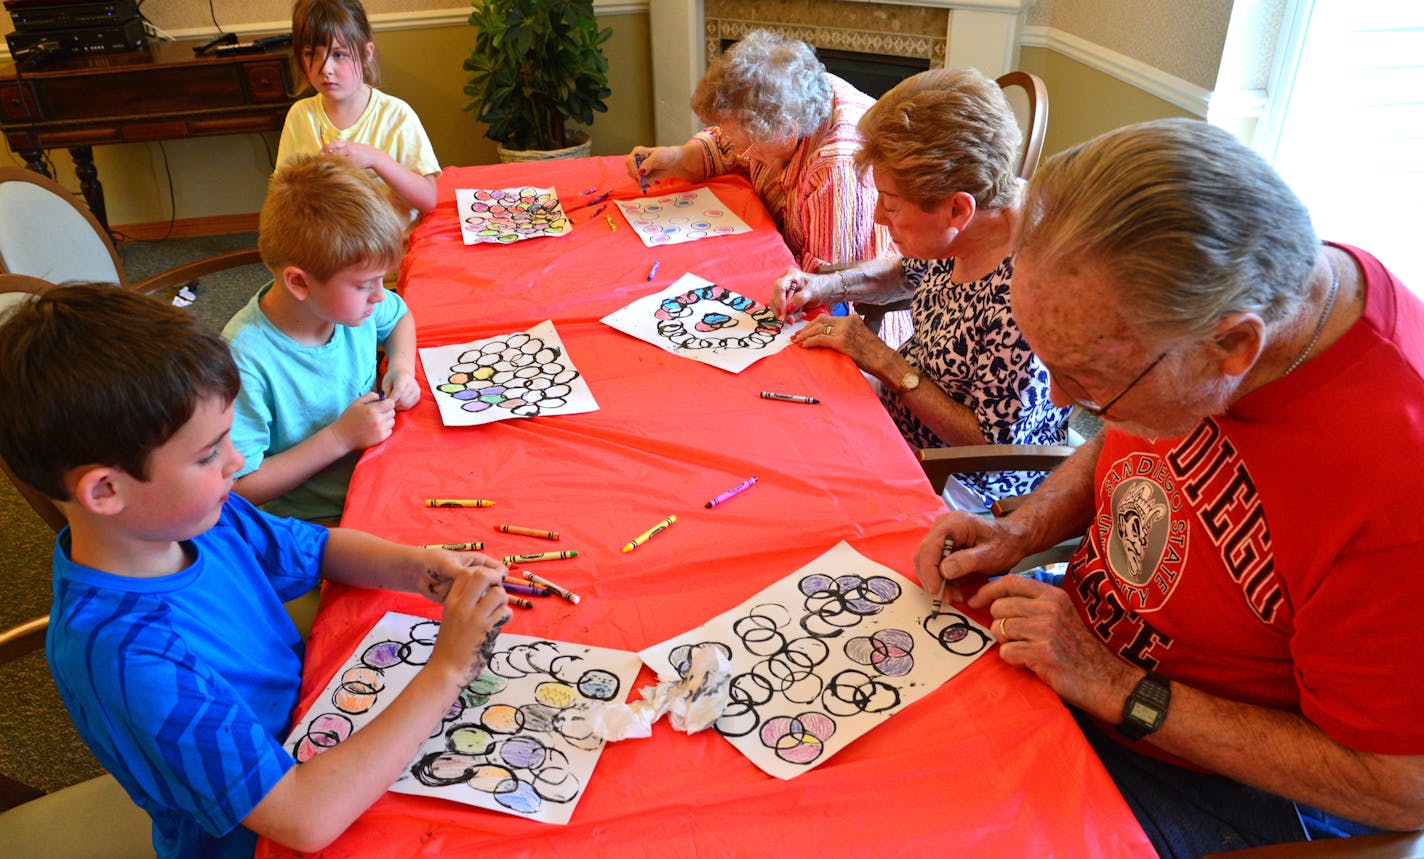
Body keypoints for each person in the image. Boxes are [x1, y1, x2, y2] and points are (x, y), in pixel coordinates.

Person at [915, 118, 1424, 856]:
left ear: (1233, 346)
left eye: (1088, 380)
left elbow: (1400, 784)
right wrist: (1023, 526)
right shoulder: (1235, 299)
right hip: (1084, 645)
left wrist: (1118, 686)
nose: (1061, 404)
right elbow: (1138, 431)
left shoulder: (1397, 482)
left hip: (1216, 776)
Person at [0, 283, 511, 858]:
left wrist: (418, 568)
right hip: (266, 832)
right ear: (106, 490)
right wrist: (449, 668)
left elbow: (317, 549)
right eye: (209, 454)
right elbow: (303, 817)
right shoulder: (129, 654)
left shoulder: (192, 519)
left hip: (314, 728)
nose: (238, 461)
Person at [772, 67, 1069, 511]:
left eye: (890, 204)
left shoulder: (1027, 292)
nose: (876, 218)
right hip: (899, 412)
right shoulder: (982, 217)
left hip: (962, 483)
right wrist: (824, 286)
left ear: (957, 210)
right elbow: (904, 272)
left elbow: (985, 445)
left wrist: (882, 360)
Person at [224, 153, 420, 522]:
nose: (380, 295)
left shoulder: (348, 306)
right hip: (318, 522)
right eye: (365, 285)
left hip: (382, 474)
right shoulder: (243, 361)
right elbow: (237, 488)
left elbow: (399, 318)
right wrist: (339, 439)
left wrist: (401, 367)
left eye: (382, 280)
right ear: (299, 281)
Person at [625, 29, 892, 275]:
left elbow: (827, 289)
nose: (742, 153)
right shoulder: (788, 95)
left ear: (787, 133)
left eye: (748, 147)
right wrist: (678, 158)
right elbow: (724, 144)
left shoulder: (836, 170)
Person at [276, 0, 439, 217]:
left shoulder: (397, 116)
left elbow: (428, 200)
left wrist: (376, 159)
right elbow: (282, 194)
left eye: (339, 55)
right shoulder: (300, 116)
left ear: (366, 53)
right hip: (327, 246)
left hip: (393, 246)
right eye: (311, 54)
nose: (326, 69)